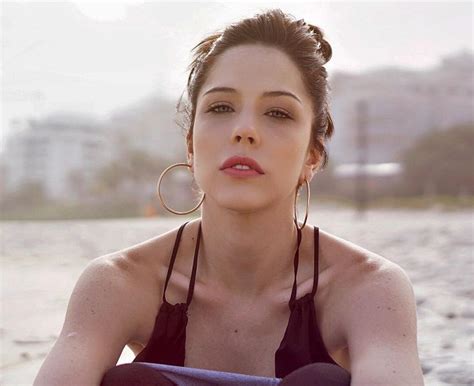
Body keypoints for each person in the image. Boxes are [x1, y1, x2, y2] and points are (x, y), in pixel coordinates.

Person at [34, 8, 424, 386]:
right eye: (221, 107)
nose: (244, 130)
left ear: (312, 156)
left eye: (278, 113)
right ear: (190, 145)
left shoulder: (369, 288)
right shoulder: (118, 283)